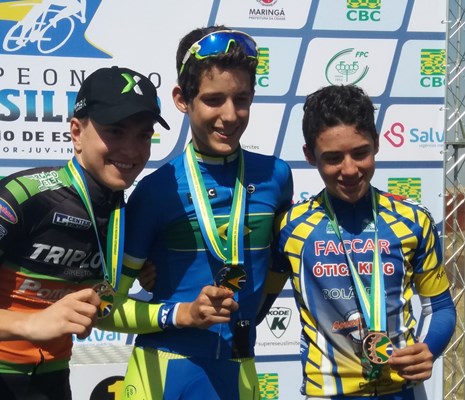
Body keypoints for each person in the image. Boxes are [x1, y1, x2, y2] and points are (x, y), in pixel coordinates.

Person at [98, 25, 293, 400]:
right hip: (162, 375)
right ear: (182, 99)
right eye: (214, 100)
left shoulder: (276, 177)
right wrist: (181, 312)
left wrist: (253, 313)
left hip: (240, 370)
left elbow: (277, 265)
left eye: (241, 99)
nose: (230, 115)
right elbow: (104, 308)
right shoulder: (157, 191)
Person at [273, 84, 456, 399]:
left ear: (376, 143)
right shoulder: (290, 227)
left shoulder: (413, 220)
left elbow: (439, 307)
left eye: (360, 153)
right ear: (309, 156)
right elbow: (255, 305)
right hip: (328, 393)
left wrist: (427, 349)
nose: (349, 170)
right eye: (333, 158)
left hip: (403, 390)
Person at [0, 65, 170, 400]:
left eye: (144, 135)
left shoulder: (124, 215)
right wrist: (29, 324)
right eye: (116, 131)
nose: (132, 150)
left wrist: (168, 296)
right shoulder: (23, 196)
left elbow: (108, 306)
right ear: (77, 132)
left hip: (53, 380)